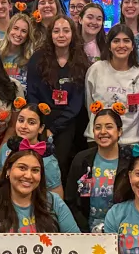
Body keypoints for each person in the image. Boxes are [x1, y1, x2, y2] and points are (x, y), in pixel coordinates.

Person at [25, 15, 90, 171]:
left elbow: (76, 102)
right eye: (56, 31)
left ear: (73, 34)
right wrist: (41, 124)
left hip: (67, 121)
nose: (61, 35)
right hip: (41, 119)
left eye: (66, 31)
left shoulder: (80, 60)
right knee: (36, 163)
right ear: (50, 34)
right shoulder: (37, 59)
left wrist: (53, 129)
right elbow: (32, 93)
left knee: (59, 164)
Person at [85, 24, 139, 145]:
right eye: (116, 41)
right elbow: (89, 104)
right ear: (109, 46)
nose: (121, 45)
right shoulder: (96, 69)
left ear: (132, 46)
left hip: (130, 140)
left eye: (126, 41)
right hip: (98, 139)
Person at [65, 108, 122, 232]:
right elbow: (71, 200)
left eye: (109, 127)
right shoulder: (81, 160)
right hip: (87, 231)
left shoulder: (129, 161)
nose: (103, 132)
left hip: (121, 230)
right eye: (98, 127)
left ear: (119, 131)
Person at [0, 103, 64, 197]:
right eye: (20, 120)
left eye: (31, 122)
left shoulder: (47, 159)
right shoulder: (6, 148)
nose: (24, 126)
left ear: (41, 128)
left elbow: (56, 194)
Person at [0, 13, 34, 90]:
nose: (18, 34)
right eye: (15, 28)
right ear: (9, 29)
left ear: (27, 36)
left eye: (23, 31)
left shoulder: (31, 57)